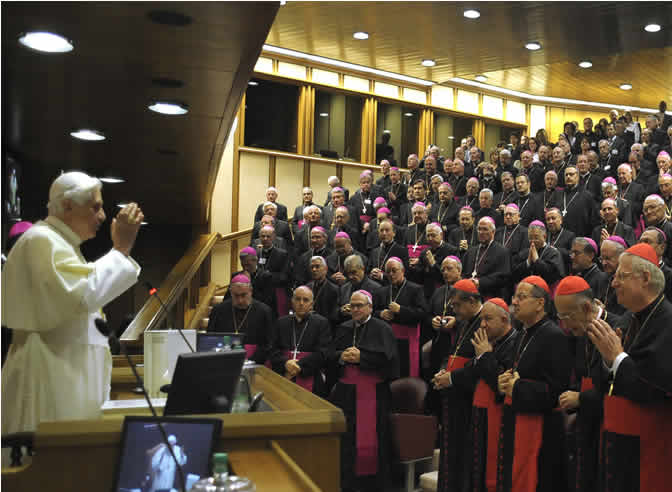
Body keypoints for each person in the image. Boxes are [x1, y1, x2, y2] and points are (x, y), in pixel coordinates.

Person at [1, 171, 143, 434]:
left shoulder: (63, 245)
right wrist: (120, 250)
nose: (102, 216)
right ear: (67, 205)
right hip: (47, 374)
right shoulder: (40, 240)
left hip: (64, 373)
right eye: (96, 207)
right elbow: (80, 295)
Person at [587, 243, 672, 492]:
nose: (613, 284)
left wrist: (617, 358)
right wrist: (607, 359)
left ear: (645, 278)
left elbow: (654, 389)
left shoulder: (668, 322)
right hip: (617, 438)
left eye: (620, 277)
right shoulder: (628, 318)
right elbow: (606, 383)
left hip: (650, 444)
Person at [497, 276, 570, 492]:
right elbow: (518, 372)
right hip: (518, 420)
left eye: (521, 297)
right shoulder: (523, 334)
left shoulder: (554, 335)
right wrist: (504, 380)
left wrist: (517, 388)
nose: (515, 302)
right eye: (514, 297)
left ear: (540, 303)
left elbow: (557, 390)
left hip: (542, 431)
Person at [329, 290, 399, 492]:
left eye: (360, 305)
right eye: (352, 306)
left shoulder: (383, 328)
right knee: (348, 438)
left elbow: (390, 360)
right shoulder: (343, 328)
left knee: (376, 438)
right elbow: (330, 355)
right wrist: (343, 356)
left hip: (374, 394)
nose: (356, 309)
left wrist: (362, 358)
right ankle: (348, 483)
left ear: (370, 307)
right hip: (346, 394)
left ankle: (374, 484)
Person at [554, 276, 618, 492]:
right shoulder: (580, 330)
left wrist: (581, 398)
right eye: (560, 317)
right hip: (586, 423)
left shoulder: (617, 327)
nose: (564, 324)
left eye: (567, 316)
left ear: (587, 307)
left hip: (609, 426)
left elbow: (618, 386)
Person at [432, 279, 484, 492]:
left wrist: (452, 378)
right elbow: (453, 354)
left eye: (456, 305)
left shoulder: (484, 323)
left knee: (464, 456)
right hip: (454, 397)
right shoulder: (464, 322)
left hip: (470, 400)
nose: (454, 310)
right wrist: (444, 371)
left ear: (471, 301)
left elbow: (479, 364)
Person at [469, 298, 520, 492]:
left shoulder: (514, 342)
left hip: (499, 416)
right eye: (482, 319)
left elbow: (500, 382)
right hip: (481, 413)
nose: (482, 324)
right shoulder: (491, 341)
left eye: (488, 319)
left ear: (504, 319)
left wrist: (484, 356)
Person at [270, 286, 331, 396]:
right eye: (297, 299)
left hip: (311, 377)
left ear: (312, 304)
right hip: (284, 375)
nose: (301, 303)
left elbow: (323, 353)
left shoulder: (321, 323)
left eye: (306, 300)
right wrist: (285, 363)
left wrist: (299, 366)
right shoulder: (281, 322)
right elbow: (272, 350)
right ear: (292, 301)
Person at [373, 257, 427, 378]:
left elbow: (422, 313)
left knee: (406, 372)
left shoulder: (416, 289)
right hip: (386, 339)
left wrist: (401, 310)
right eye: (388, 271)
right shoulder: (382, 291)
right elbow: (372, 312)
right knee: (389, 373)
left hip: (407, 338)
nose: (391, 274)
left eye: (394, 270)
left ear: (402, 271)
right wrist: (380, 314)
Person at [207, 274, 274, 363]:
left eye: (243, 295)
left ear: (251, 291)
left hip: (255, 363)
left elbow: (269, 344)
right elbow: (211, 338)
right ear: (230, 292)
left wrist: (251, 360)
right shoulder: (218, 311)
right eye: (236, 295)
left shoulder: (264, 311)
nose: (240, 300)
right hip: (223, 361)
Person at [461, 217, 511, 299]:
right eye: (479, 229)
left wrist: (480, 282)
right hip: (469, 295)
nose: (481, 232)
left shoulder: (502, 252)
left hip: (490, 295)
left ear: (493, 232)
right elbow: (463, 272)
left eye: (485, 229)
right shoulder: (471, 251)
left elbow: (503, 277)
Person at [511, 221, 565, 289]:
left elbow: (553, 276)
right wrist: (528, 262)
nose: (532, 241)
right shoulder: (524, 253)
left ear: (544, 236)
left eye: (536, 237)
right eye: (530, 237)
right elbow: (515, 275)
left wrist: (537, 261)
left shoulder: (553, 253)